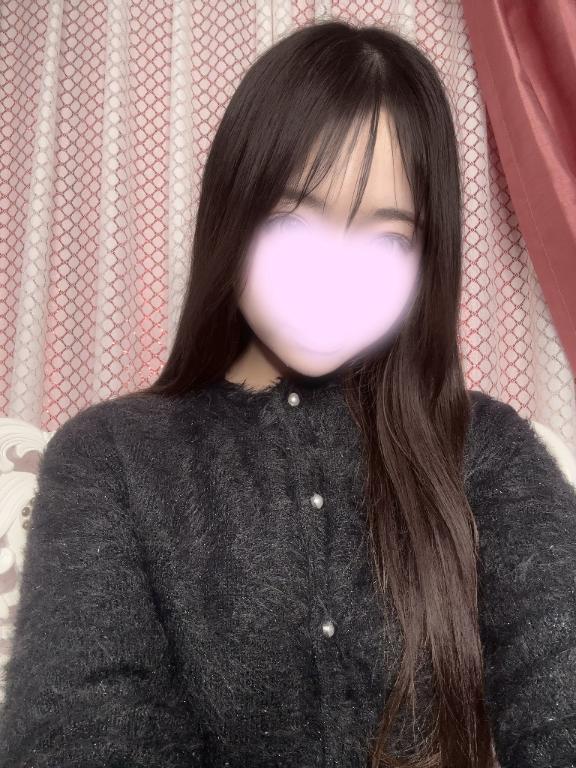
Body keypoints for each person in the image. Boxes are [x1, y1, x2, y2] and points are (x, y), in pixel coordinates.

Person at [1, 19, 575, 768]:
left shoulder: (488, 450)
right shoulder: (111, 457)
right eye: (295, 221)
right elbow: (80, 739)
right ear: (233, 214)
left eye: (388, 238)